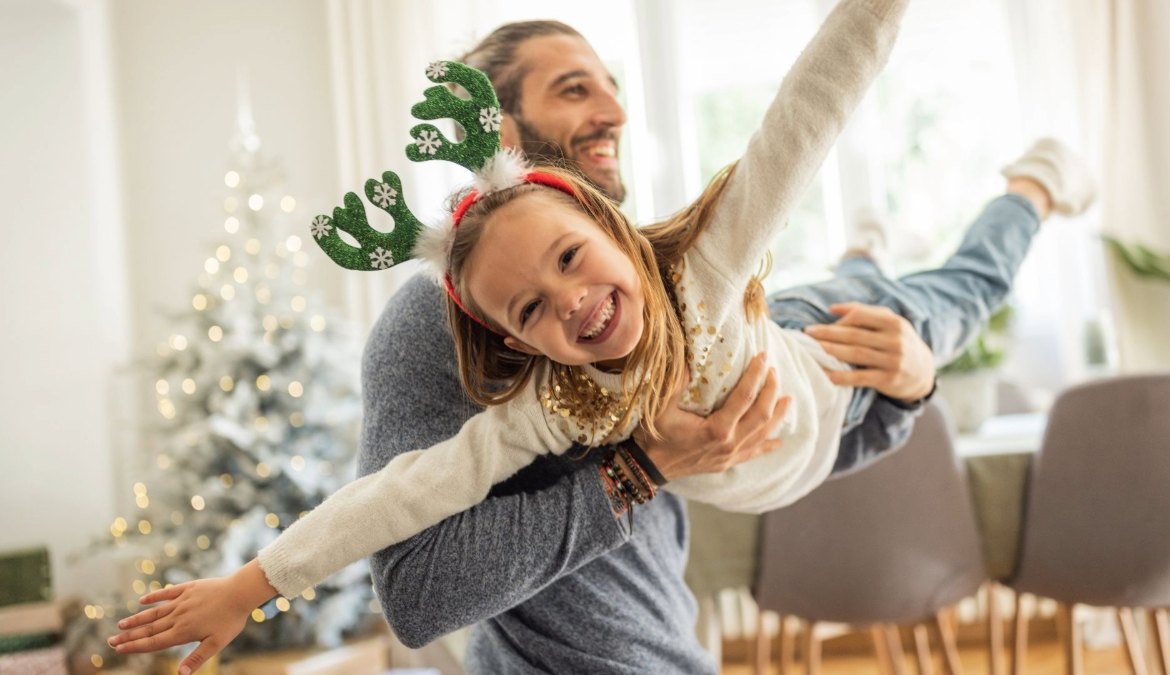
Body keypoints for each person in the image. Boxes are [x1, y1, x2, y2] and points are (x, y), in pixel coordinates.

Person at [107, 0, 1093, 672]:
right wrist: (252, 583)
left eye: (573, 260)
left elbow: (811, 112)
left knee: (947, 295)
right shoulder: (491, 353)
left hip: (804, 362)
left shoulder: (669, 273)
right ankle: (931, 228)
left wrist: (910, 390)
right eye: (574, 89)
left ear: (604, 235)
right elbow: (407, 547)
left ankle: (1014, 195)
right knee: (896, 288)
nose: (614, 108)